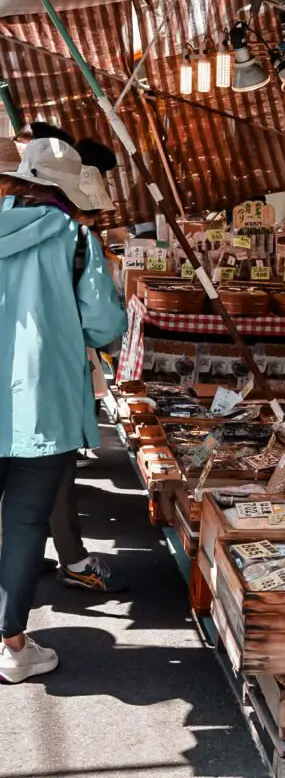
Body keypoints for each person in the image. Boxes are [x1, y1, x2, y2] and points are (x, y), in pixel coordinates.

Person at [0, 137, 126, 682]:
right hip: (41, 405)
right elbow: (104, 325)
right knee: (25, 523)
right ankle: (13, 647)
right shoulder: (77, 239)